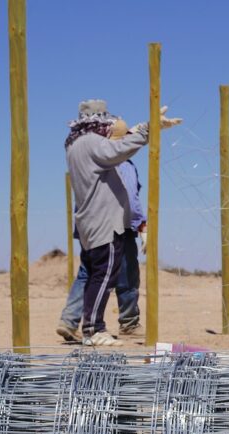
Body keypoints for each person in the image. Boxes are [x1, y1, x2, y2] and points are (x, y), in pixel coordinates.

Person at [64, 99, 180, 346]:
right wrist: (149, 130)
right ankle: (94, 329)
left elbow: (117, 144)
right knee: (103, 277)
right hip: (104, 222)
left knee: (96, 275)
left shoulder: (77, 143)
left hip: (93, 221)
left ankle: (88, 325)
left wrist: (143, 128)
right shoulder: (93, 143)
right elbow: (117, 150)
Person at [57, 118, 145, 342]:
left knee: (91, 273)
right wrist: (140, 223)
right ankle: (104, 325)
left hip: (90, 224)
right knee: (113, 275)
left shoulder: (78, 149)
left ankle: (71, 320)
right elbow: (130, 199)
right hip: (113, 225)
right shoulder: (114, 160)